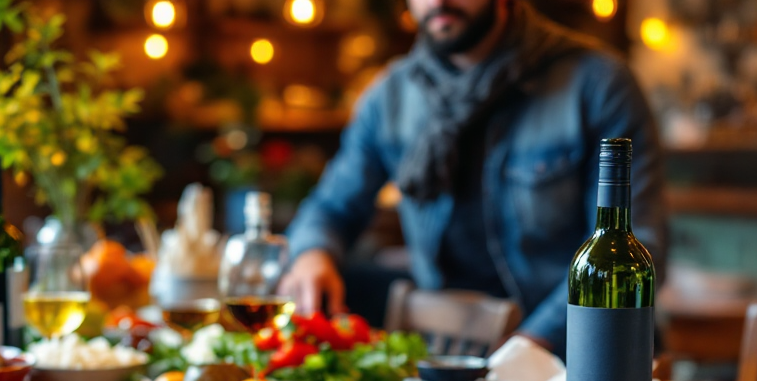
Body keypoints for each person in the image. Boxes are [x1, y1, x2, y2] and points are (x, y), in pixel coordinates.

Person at [280, 0, 665, 357]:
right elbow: (331, 206)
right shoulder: (391, 95)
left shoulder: (597, 83)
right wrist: (313, 254)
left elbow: (639, 243)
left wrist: (534, 341)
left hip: (577, 356)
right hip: (448, 357)